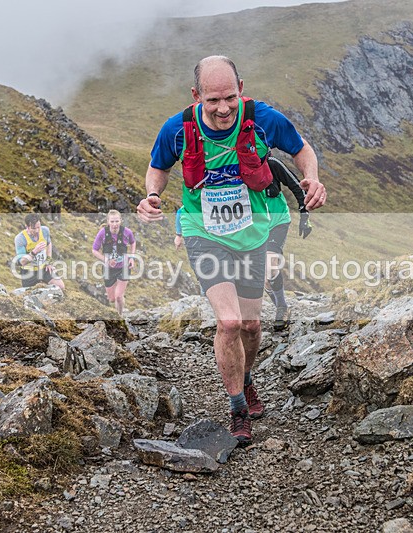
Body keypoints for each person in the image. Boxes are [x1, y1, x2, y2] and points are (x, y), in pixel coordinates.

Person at [137, 55, 326, 445]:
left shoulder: (263, 118)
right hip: (203, 232)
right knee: (229, 322)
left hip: (254, 233)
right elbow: (158, 167)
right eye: (212, 100)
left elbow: (301, 148)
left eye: (230, 97)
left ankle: (246, 376)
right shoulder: (177, 129)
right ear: (196, 96)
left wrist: (312, 179)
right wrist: (151, 195)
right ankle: (238, 408)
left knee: (252, 326)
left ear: (240, 88)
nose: (223, 109)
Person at [263, 155, 313, 331]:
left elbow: (296, 185)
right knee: (263, 276)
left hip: (278, 222)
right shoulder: (234, 164)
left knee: (270, 266)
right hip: (252, 228)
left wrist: (304, 215)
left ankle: (282, 308)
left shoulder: (272, 163)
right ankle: (281, 306)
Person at [91, 210, 136, 315]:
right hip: (108, 269)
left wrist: (132, 257)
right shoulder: (102, 233)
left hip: (124, 266)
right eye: (112, 221)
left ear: (121, 220)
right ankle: (117, 297)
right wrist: (106, 260)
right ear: (108, 222)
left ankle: (120, 316)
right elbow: (94, 250)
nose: (115, 224)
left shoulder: (127, 232)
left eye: (117, 221)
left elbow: (133, 242)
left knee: (119, 297)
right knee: (112, 299)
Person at [14, 213, 65, 290]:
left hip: (44, 268)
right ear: (27, 227)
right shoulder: (20, 239)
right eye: (34, 228)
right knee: (30, 296)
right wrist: (34, 252)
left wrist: (49, 262)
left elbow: (49, 244)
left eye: (39, 227)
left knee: (61, 286)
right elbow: (22, 262)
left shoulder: (45, 230)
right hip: (29, 272)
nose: (37, 230)